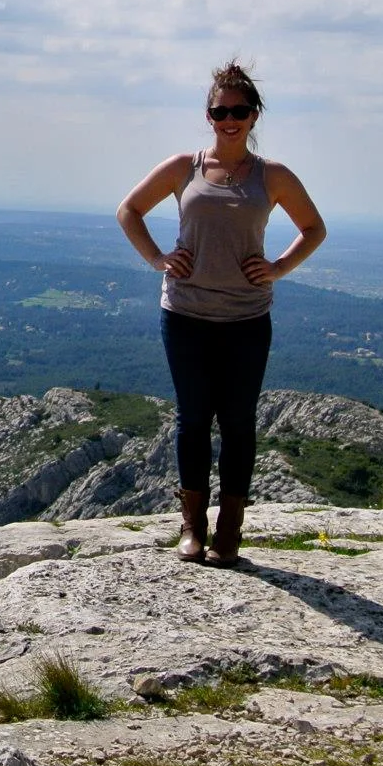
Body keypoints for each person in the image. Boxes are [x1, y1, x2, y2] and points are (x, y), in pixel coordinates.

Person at [115, 63, 326, 567]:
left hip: (246, 319)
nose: (229, 119)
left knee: (237, 423)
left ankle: (229, 529)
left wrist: (277, 267)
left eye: (239, 110)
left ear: (254, 115)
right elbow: (129, 210)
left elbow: (313, 228)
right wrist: (157, 260)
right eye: (219, 110)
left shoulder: (271, 175)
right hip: (184, 313)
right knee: (191, 421)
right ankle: (192, 525)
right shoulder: (183, 167)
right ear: (208, 115)